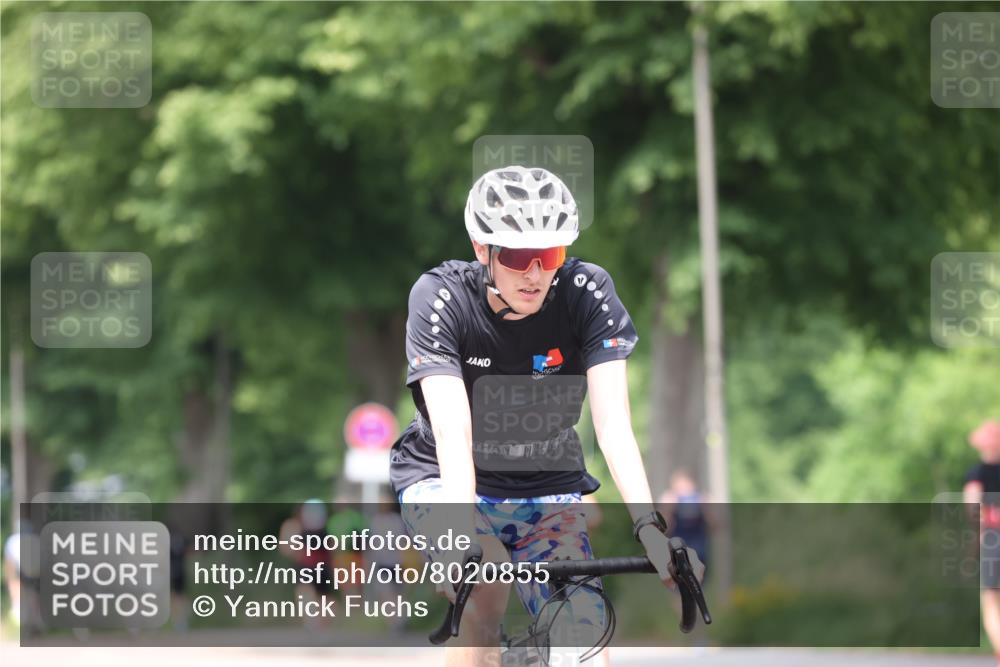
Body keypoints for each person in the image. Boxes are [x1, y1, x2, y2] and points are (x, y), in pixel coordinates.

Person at [390, 165, 701, 667]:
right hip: (443, 476)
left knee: (585, 642)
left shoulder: (587, 292)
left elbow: (613, 425)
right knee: (485, 583)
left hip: (545, 482)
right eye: (516, 256)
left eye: (550, 254)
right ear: (481, 248)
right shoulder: (441, 298)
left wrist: (649, 529)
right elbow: (453, 431)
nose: (535, 273)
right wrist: (457, 536)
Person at [964, 419, 1000, 666]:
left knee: (990, 600)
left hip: (993, 538)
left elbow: (974, 510)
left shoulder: (976, 474)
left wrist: (972, 546)